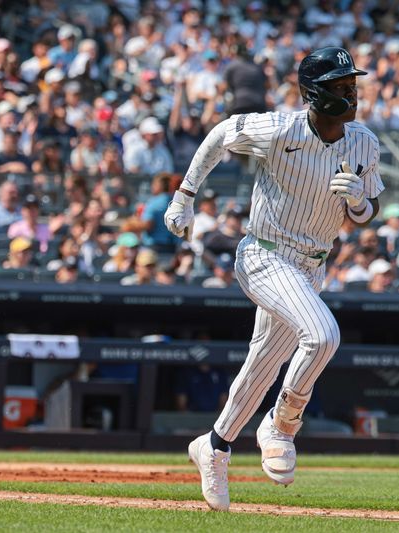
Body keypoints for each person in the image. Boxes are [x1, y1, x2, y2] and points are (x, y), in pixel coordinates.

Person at [164, 46, 383, 511]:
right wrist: (184, 195)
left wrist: (361, 203)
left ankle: (216, 445)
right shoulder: (279, 127)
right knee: (323, 336)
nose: (351, 93)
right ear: (312, 93)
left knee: (261, 367)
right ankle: (283, 423)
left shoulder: (364, 141)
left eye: (352, 85)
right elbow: (222, 133)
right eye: (340, 86)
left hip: (311, 265)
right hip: (264, 254)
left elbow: (367, 213)